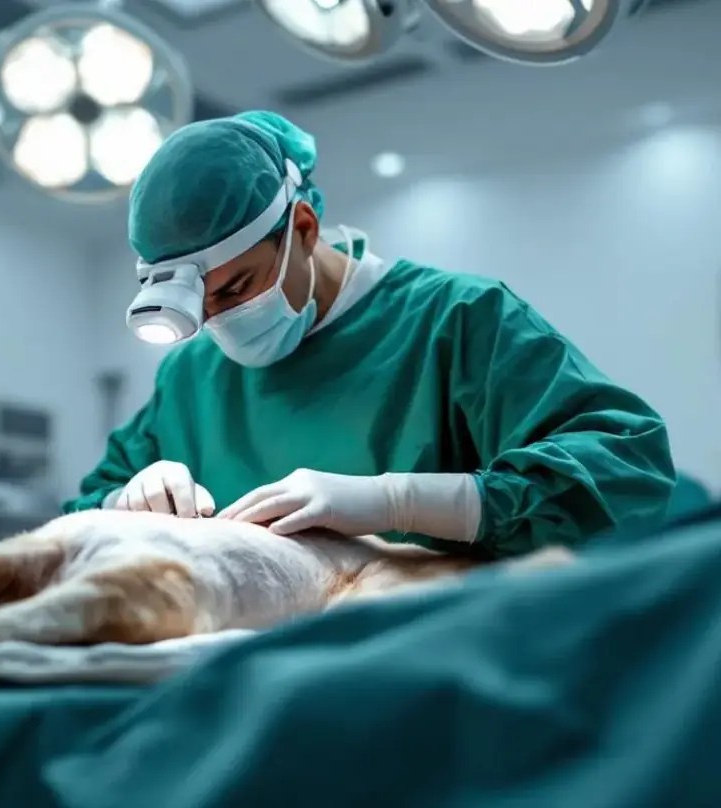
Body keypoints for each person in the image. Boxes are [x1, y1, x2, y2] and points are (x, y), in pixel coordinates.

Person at [62, 110, 675, 558]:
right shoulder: (191, 376)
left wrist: (400, 502)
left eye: (236, 287)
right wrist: (123, 506)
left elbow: (629, 467)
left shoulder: (456, 318)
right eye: (202, 304)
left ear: (303, 228)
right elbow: (77, 518)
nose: (220, 320)